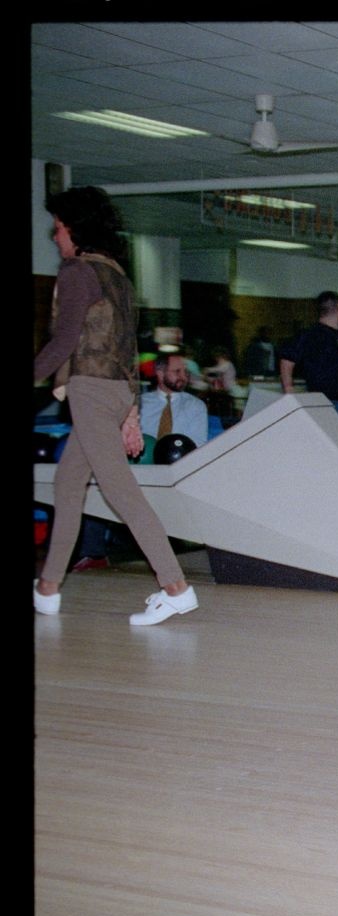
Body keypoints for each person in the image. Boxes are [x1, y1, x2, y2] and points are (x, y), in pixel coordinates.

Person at [32, 186, 199, 626]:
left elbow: (64, 341)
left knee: (119, 489)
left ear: (75, 229)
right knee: (68, 487)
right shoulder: (119, 278)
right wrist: (129, 413)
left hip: (88, 389)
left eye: (58, 228)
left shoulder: (76, 272)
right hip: (116, 391)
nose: (54, 237)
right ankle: (47, 589)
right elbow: (128, 353)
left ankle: (176, 587)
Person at [73, 352, 211, 572]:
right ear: (159, 373)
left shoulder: (195, 406)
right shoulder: (137, 405)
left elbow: (198, 446)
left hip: (176, 475)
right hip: (139, 472)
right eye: (177, 371)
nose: (183, 376)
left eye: (184, 372)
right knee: (96, 487)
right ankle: (93, 554)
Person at [280, 291, 338, 432]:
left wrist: (288, 389)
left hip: (322, 403)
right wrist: (288, 390)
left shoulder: (309, 335)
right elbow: (287, 359)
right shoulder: (328, 338)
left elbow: (287, 359)